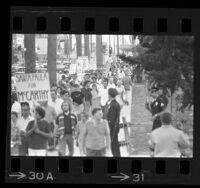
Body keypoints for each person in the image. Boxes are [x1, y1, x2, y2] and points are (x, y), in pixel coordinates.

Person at [107, 88, 121, 157]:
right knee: (115, 143)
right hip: (116, 126)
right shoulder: (116, 103)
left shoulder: (112, 105)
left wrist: (108, 128)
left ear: (109, 95)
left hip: (113, 127)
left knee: (113, 145)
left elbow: (111, 120)